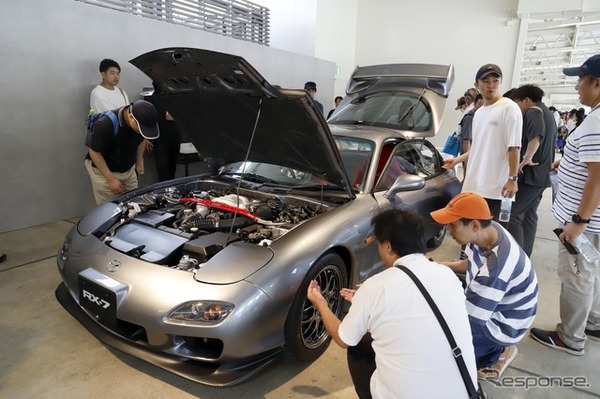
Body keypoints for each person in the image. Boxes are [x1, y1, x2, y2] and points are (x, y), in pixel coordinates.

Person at [307, 209, 477, 398]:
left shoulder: (374, 288)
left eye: (378, 244)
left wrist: (320, 302)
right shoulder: (446, 275)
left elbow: (343, 339)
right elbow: (418, 308)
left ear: (387, 246)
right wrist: (370, 304)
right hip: (463, 391)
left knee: (360, 344)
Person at [530, 54, 600, 356]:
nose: (577, 87)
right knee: (591, 272)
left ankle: (570, 337)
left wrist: (578, 222)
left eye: (580, 80)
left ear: (597, 83)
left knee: (577, 276)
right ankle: (593, 323)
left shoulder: (597, 121)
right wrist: (569, 162)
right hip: (591, 218)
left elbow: (598, 178)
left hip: (585, 221)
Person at [431, 192, 538, 379]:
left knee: (442, 349)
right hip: (495, 303)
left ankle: (496, 353)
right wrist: (441, 266)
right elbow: (472, 265)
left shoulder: (496, 268)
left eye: (453, 225)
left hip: (502, 324)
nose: (448, 230)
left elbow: (467, 320)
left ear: (474, 225)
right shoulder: (487, 232)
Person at [444, 64, 522, 221]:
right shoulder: (478, 114)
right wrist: (456, 160)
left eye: (495, 80)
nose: (491, 85)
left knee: (491, 239)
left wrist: (512, 179)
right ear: (477, 85)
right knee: (471, 237)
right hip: (474, 185)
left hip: (497, 189)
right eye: (486, 81)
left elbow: (514, 147)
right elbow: (479, 148)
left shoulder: (509, 108)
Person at [507, 84, 557, 257]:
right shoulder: (547, 112)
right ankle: (525, 255)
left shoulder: (533, 111)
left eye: (517, 103)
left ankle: (517, 259)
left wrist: (526, 158)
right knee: (529, 216)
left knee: (513, 215)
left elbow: (536, 135)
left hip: (532, 176)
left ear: (526, 100)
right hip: (542, 176)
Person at [85, 100, 160, 204]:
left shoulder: (140, 123)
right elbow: (94, 153)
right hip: (104, 170)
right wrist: (110, 179)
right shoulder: (105, 124)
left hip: (128, 169)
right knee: (111, 209)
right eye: (141, 128)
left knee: (135, 205)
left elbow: (142, 140)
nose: (142, 131)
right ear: (130, 117)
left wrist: (139, 162)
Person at [459, 93, 484, 174]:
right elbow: (467, 141)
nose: (482, 107)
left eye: (485, 104)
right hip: (471, 160)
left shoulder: (479, 117)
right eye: (480, 104)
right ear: (475, 104)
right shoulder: (470, 118)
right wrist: (467, 162)